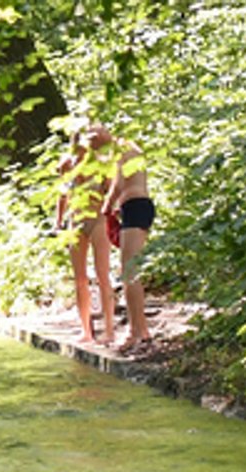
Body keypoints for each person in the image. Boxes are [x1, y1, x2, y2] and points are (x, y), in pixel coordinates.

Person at [56, 123, 117, 346]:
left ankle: (109, 329)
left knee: (103, 274)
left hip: (98, 219)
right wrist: (59, 222)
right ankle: (86, 330)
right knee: (80, 278)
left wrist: (113, 213)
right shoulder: (66, 165)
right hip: (75, 221)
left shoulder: (101, 165)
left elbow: (111, 190)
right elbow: (62, 195)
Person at [101, 127, 155, 352]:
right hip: (129, 209)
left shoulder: (124, 149)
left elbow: (120, 183)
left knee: (130, 271)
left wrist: (107, 204)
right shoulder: (122, 150)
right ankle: (141, 329)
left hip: (136, 208)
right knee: (128, 271)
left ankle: (135, 331)